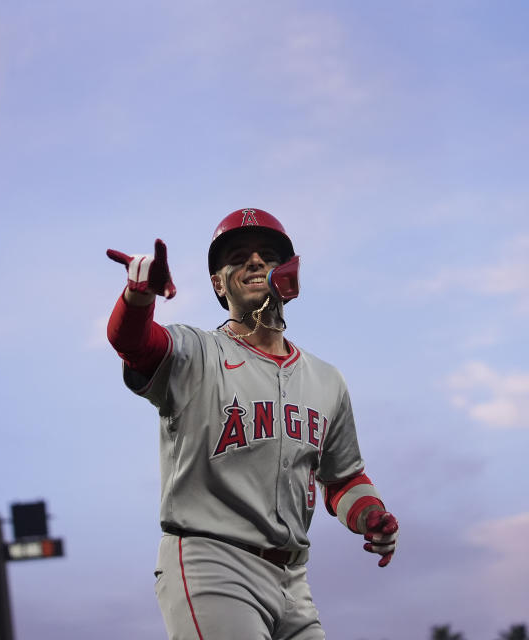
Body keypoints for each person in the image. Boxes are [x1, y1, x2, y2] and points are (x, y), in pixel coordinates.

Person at [106, 208, 398, 640]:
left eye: (267, 255)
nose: (255, 261)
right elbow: (133, 343)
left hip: (293, 581)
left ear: (290, 271)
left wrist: (370, 513)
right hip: (212, 565)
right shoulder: (195, 353)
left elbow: (342, 478)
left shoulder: (326, 379)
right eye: (238, 256)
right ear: (218, 284)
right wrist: (138, 297)